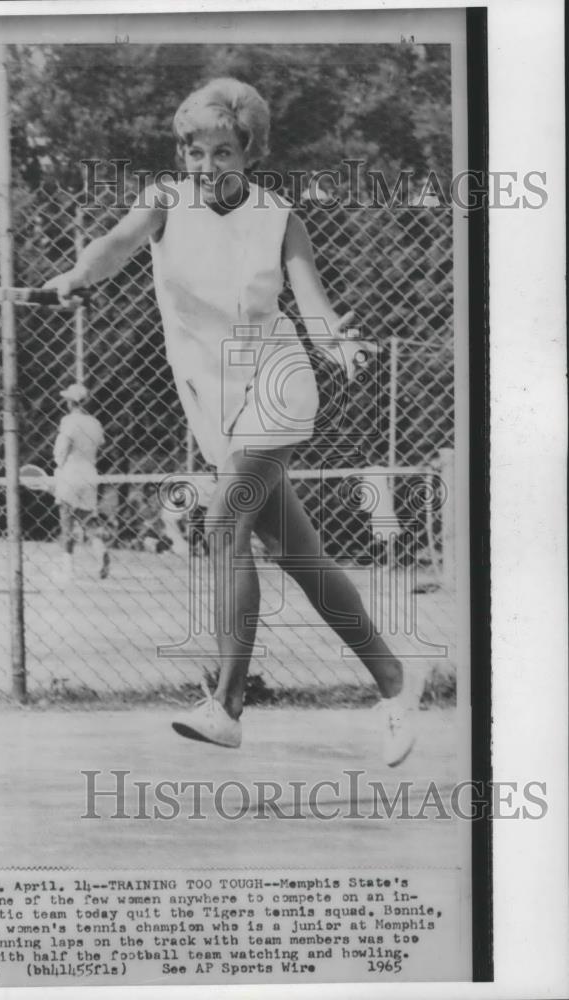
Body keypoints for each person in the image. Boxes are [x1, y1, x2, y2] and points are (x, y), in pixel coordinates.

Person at [45, 78, 422, 766]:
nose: (207, 165)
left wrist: (334, 338)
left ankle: (226, 704)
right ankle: (396, 683)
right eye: (194, 151)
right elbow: (114, 245)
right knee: (302, 559)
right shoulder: (163, 203)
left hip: (278, 387)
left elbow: (310, 302)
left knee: (222, 527)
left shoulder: (281, 218)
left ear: (249, 152)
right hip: (213, 403)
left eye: (223, 151)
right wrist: (78, 272)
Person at [53, 383, 110, 581]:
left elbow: (62, 450)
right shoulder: (95, 423)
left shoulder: (69, 421)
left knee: (66, 519)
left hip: (71, 472)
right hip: (89, 473)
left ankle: (67, 568)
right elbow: (99, 446)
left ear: (71, 403)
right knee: (87, 519)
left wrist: (59, 467)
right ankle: (100, 551)